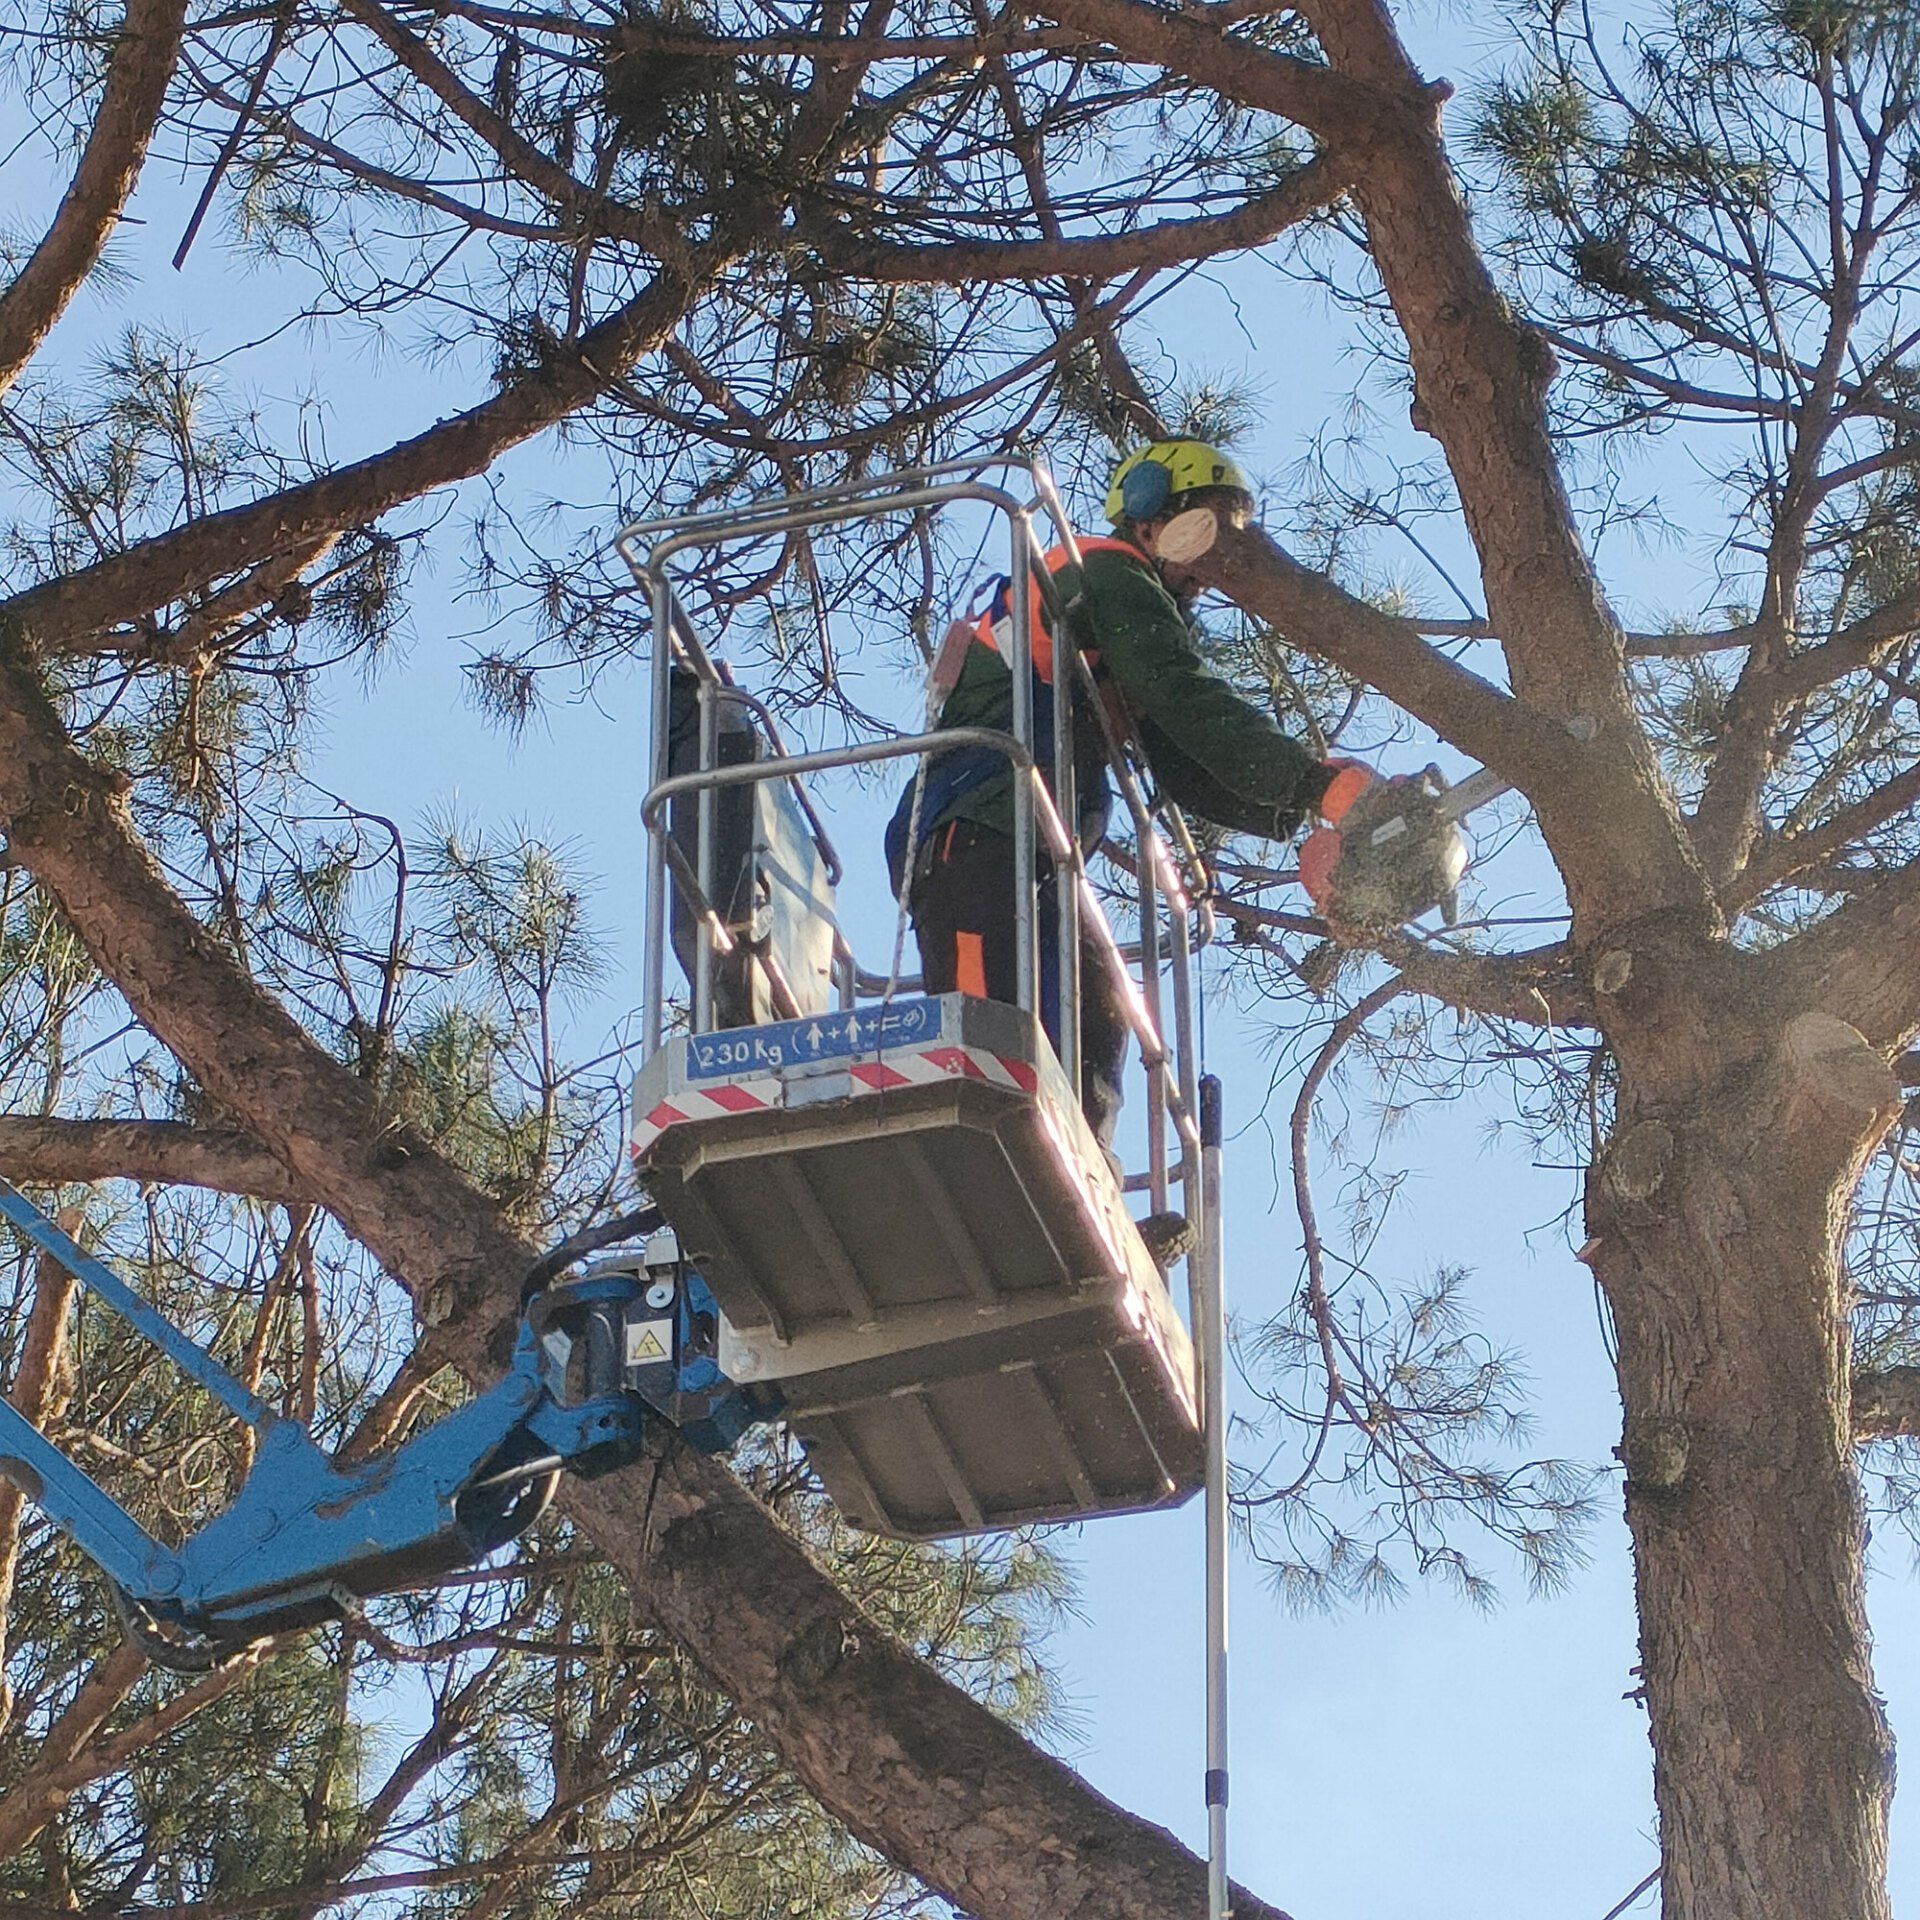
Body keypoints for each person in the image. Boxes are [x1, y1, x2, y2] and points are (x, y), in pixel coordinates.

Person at [886, 439, 1372, 1144]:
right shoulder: (1104, 573)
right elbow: (1185, 698)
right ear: (1148, 513)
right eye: (1206, 530)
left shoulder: (1128, 624)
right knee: (986, 1036)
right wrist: (1319, 788)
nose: (1213, 567)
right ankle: (986, 1162)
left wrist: (1298, 809)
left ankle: (1087, 1179)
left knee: (1099, 1011)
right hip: (977, 832)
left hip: (1042, 855)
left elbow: (1183, 763)